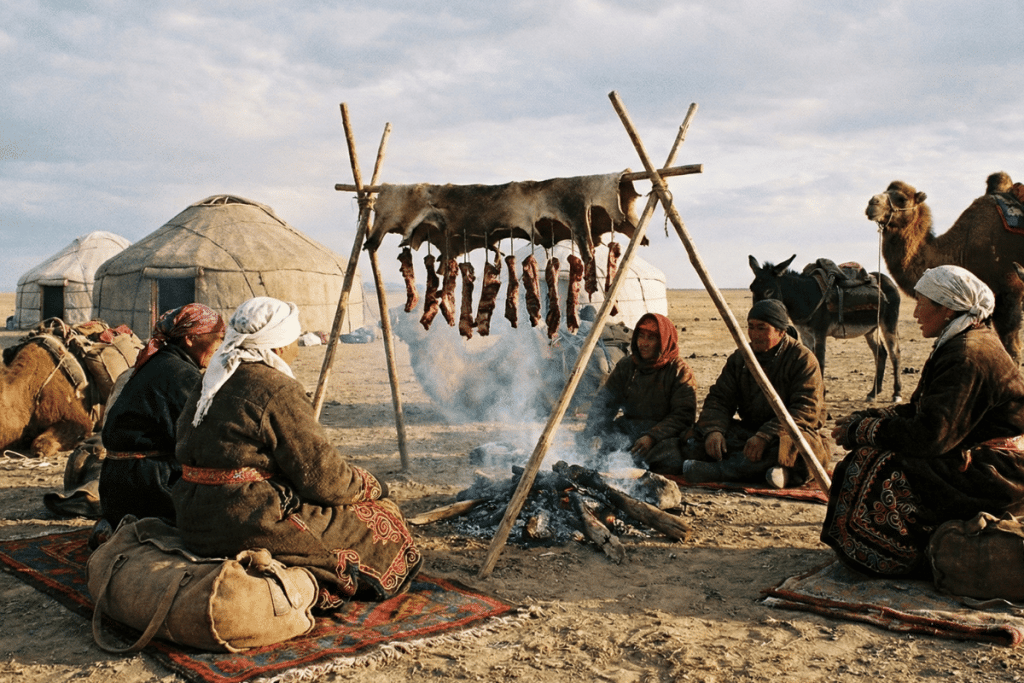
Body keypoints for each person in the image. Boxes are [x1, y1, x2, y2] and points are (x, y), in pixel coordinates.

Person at [172, 297, 422, 606]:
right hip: (242, 520)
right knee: (377, 520)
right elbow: (326, 481)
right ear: (277, 346)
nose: (296, 348)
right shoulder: (274, 388)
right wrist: (371, 485)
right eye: (294, 339)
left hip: (192, 515)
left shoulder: (210, 381)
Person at [821, 265, 1024, 578]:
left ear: (945, 310)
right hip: (974, 451)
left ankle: (903, 558)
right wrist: (870, 418)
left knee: (873, 465)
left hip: (996, 469)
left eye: (921, 304)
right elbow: (924, 409)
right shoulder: (961, 341)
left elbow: (931, 436)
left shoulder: (967, 354)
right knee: (871, 456)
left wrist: (866, 431)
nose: (914, 313)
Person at [97, 303, 225, 535]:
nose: (220, 348)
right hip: (149, 483)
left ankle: (118, 524)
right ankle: (142, 527)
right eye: (217, 340)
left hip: (117, 484)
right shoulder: (180, 373)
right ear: (190, 339)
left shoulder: (159, 363)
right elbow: (201, 437)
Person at [681, 299, 828, 489]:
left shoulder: (803, 360)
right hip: (749, 433)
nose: (754, 334)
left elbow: (806, 410)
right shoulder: (740, 358)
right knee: (694, 438)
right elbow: (719, 399)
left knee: (800, 450)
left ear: (781, 331)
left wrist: (765, 435)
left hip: (785, 433)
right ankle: (776, 473)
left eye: (762, 328)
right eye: (751, 327)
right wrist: (714, 430)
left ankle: (719, 471)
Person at [580, 312, 697, 474]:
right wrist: (593, 432)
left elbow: (683, 415)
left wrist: (652, 436)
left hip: (663, 434)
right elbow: (605, 402)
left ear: (664, 341)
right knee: (600, 446)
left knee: (673, 457)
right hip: (629, 429)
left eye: (651, 338)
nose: (644, 343)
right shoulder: (627, 366)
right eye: (641, 336)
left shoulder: (679, 371)